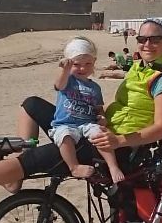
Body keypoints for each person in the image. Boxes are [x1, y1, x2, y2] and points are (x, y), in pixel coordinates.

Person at [0, 18, 162, 191]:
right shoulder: (140, 67)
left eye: (155, 39)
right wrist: (100, 113)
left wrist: (119, 140)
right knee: (31, 104)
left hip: (113, 146)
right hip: (96, 127)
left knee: (39, 159)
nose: (147, 44)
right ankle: (12, 177)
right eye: (142, 38)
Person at [48, 38, 123, 183]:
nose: (83, 68)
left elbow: (98, 107)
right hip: (66, 123)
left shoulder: (94, 87)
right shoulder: (68, 80)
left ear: (94, 63)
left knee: (100, 134)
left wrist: (101, 117)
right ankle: (74, 166)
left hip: (87, 123)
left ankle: (113, 166)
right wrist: (64, 69)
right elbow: (58, 84)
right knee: (64, 137)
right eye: (77, 65)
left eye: (88, 64)